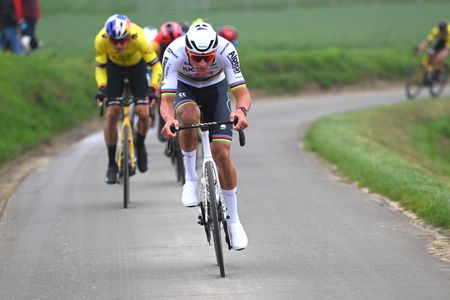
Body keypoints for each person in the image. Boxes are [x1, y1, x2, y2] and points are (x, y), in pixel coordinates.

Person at [159, 22, 251, 250]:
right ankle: (190, 178)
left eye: (207, 58)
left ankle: (234, 220)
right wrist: (169, 119)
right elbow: (166, 101)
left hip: (216, 89)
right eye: (196, 58)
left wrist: (240, 112)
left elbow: (242, 93)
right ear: (187, 51)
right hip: (185, 87)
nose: (201, 63)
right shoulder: (173, 51)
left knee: (222, 155)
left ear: (215, 52)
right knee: (189, 117)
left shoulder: (226, 49)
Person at [94, 14, 162, 184]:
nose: (118, 45)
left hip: (137, 70)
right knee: (112, 113)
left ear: (129, 35)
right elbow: (100, 68)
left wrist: (153, 88)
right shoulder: (100, 40)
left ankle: (140, 144)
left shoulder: (138, 37)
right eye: (114, 42)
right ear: (108, 37)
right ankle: (111, 164)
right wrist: (102, 88)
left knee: (143, 112)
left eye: (122, 41)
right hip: (114, 70)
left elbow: (155, 66)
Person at [150, 21, 184, 142]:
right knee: (161, 94)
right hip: (162, 67)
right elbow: (152, 62)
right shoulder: (156, 43)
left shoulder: (183, 39)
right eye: (168, 42)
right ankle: (162, 120)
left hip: (179, 66)